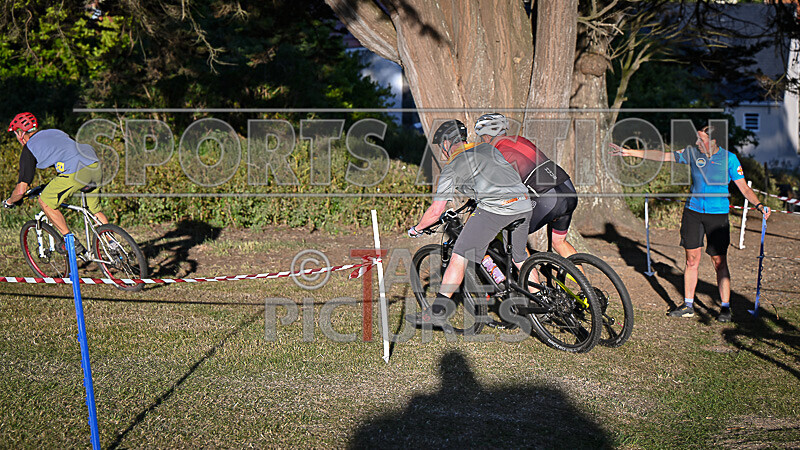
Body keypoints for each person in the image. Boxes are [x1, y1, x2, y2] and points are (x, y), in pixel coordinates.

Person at [609, 125, 771, 322]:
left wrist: (760, 205)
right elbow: (663, 156)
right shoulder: (692, 154)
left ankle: (725, 307)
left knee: (719, 262)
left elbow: (744, 188)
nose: (696, 143)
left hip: (717, 216)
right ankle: (688, 305)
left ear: (713, 141)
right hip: (693, 213)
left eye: (700, 140)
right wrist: (629, 151)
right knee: (691, 260)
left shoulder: (729, 159)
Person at [407, 119, 532, 327]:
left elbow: (436, 210)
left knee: (459, 255)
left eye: (441, 146)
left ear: (446, 143)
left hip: (496, 209)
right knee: (521, 258)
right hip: (524, 203)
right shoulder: (487, 149)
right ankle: (542, 302)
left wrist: (417, 229)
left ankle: (437, 311)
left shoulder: (452, 167)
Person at [474, 113, 580, 258]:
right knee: (559, 242)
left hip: (548, 199)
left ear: (486, 136)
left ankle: (529, 279)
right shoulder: (521, 140)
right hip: (567, 189)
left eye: (482, 137)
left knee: (512, 237)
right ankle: (582, 281)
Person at [3, 112, 107, 256]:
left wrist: (9, 201)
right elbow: (69, 153)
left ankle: (71, 241)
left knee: (45, 201)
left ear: (21, 133)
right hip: (94, 164)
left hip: (75, 172)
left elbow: (21, 190)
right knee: (94, 209)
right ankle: (112, 246)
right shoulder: (55, 132)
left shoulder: (29, 149)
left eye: (16, 134)